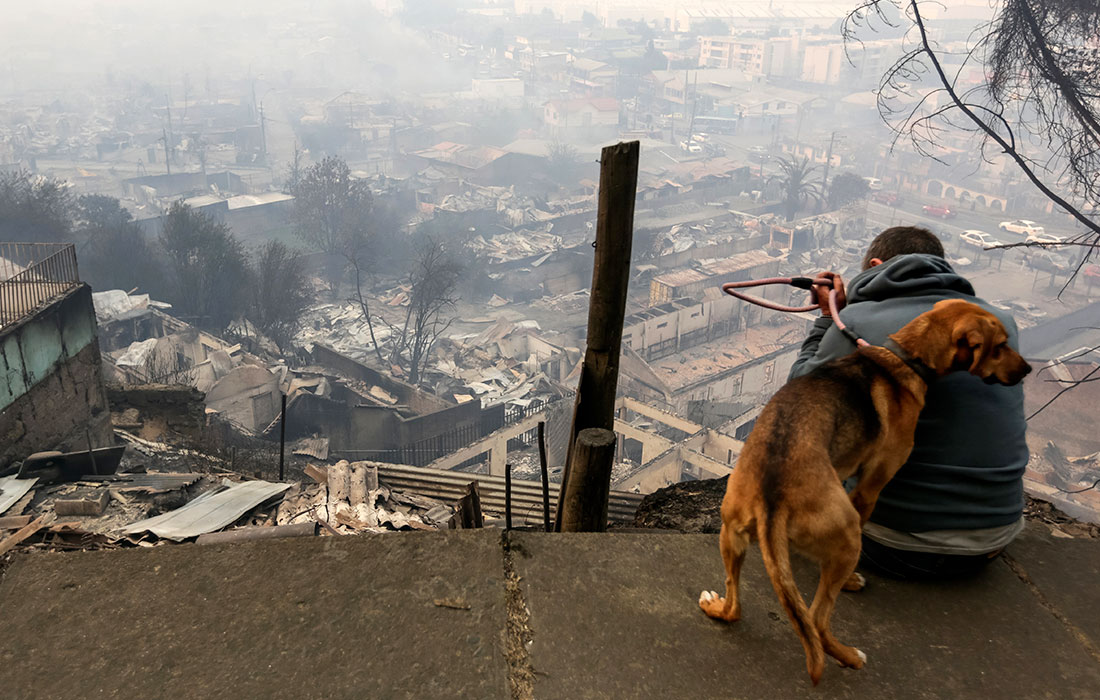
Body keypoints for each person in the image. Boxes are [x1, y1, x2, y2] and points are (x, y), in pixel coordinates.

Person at [789, 226, 1028, 580]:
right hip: (994, 540)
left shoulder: (857, 322)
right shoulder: (1000, 323)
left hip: (892, 545)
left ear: (876, 266)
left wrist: (828, 319)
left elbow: (798, 397)